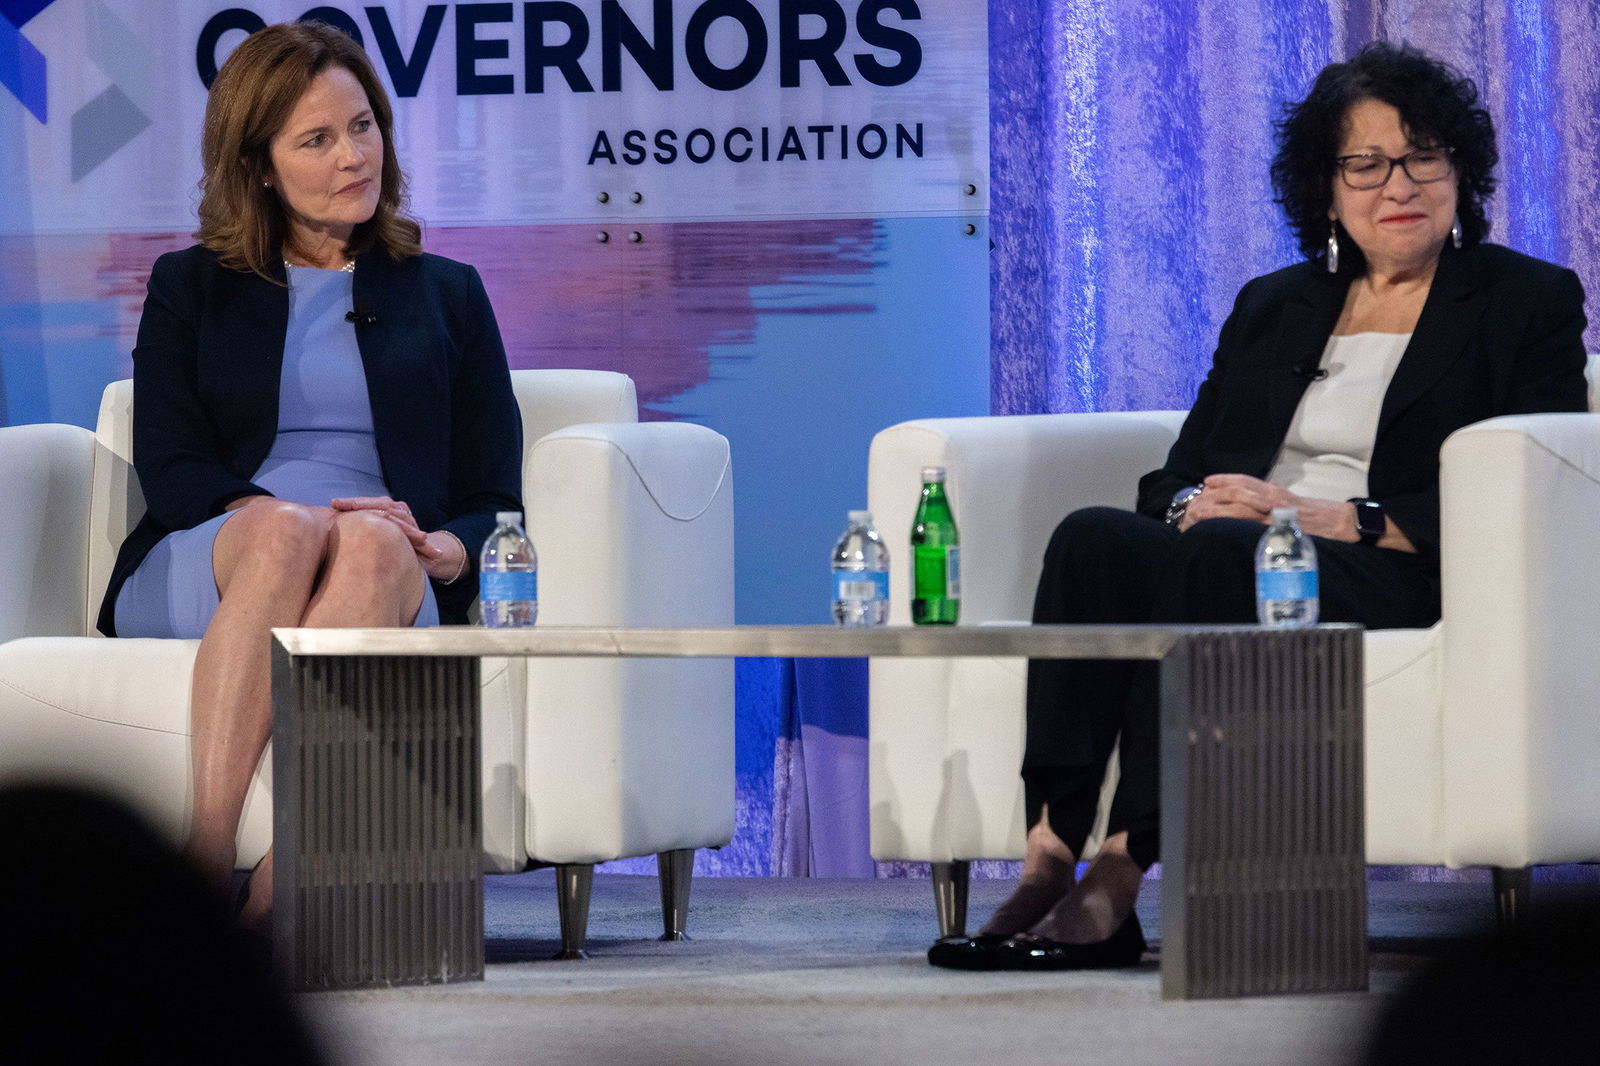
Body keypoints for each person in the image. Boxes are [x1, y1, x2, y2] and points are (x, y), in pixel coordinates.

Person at [929, 41, 1588, 971]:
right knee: (1095, 540)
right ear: (1326, 190)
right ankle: (1048, 849)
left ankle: (1123, 868)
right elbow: (1173, 476)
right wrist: (1198, 501)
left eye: (1422, 156)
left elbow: (1540, 470)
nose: (1397, 183)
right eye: (1365, 164)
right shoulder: (1274, 305)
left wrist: (1323, 518)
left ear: (1459, 173)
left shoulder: (1527, 300)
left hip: (1396, 565)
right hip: (1241, 547)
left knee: (1224, 555)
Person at [98, 22, 522, 933]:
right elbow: (171, 466)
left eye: (363, 127)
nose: (352, 156)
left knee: (368, 540)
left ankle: (284, 881)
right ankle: (205, 859)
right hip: (217, 551)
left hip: (381, 560)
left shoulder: (449, 293)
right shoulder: (189, 285)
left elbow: (494, 491)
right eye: (318, 140)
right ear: (258, 166)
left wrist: (446, 549)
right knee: (290, 528)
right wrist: (276, 516)